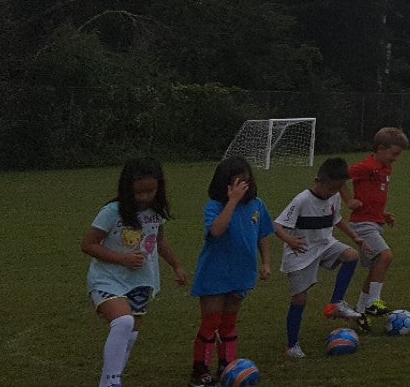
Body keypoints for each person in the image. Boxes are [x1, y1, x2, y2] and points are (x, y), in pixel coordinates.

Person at [84, 158, 187, 387]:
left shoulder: (156, 212)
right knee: (123, 322)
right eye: (139, 192)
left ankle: (108, 381)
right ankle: (113, 382)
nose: (144, 197)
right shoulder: (112, 212)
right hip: (107, 279)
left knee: (131, 333)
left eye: (151, 191)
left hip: (141, 281)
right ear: (127, 187)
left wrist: (176, 266)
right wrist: (122, 259)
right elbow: (88, 245)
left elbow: (159, 240)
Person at [189, 156, 273, 386]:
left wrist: (266, 263)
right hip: (215, 274)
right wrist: (232, 201)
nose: (242, 187)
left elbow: (263, 235)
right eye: (237, 183)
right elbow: (216, 231)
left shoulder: (257, 205)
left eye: (246, 181)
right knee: (211, 322)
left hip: (242, 273)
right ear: (225, 184)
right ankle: (200, 371)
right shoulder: (214, 206)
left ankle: (227, 365)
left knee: (229, 323)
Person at [272, 157, 366, 359]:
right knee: (299, 299)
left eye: (338, 188)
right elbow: (277, 225)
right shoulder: (302, 200)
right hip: (301, 250)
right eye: (331, 188)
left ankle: (336, 303)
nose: (333, 192)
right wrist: (290, 240)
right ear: (318, 180)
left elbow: (337, 220)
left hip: (324, 244)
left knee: (351, 256)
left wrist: (354, 236)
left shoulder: (334, 197)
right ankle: (292, 346)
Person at [346, 125, 408, 316]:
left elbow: (373, 196)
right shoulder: (366, 167)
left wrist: (383, 213)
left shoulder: (386, 168)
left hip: (375, 221)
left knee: (375, 269)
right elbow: (338, 177)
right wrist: (349, 200)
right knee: (385, 256)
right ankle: (373, 302)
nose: (396, 158)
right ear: (380, 148)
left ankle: (360, 310)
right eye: (394, 154)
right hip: (362, 223)